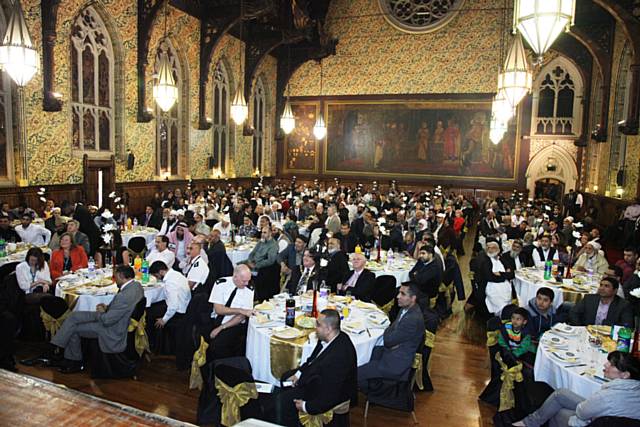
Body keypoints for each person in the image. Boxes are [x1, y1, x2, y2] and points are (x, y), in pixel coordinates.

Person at [49, 265, 144, 373]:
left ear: (121, 276)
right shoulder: (137, 286)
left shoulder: (124, 295)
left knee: (74, 328)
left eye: (115, 276)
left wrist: (102, 312)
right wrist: (107, 307)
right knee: (73, 316)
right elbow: (122, 309)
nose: (113, 279)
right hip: (113, 317)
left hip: (112, 328)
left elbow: (107, 320)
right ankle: (55, 347)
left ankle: (72, 361)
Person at [271, 309, 357, 426]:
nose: (315, 327)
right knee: (285, 377)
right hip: (317, 376)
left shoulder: (339, 357)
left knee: (282, 401)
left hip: (322, 392)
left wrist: (306, 406)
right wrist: (298, 374)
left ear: (328, 329)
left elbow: (331, 395)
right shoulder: (331, 337)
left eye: (318, 324)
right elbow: (312, 360)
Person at [512, 351, 640, 427]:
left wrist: (590, 409)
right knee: (560, 394)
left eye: (611, 365)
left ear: (625, 375)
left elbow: (582, 412)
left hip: (601, 422)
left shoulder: (607, 397)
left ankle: (530, 423)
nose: (606, 365)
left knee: (558, 412)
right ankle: (529, 423)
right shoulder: (634, 387)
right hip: (608, 417)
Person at [357, 283, 425, 391]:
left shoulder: (411, 319)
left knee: (354, 372)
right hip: (391, 352)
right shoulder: (405, 309)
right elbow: (390, 329)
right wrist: (391, 333)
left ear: (413, 298)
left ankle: (374, 392)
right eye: (399, 293)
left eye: (403, 294)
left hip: (395, 364)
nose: (398, 296)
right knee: (366, 354)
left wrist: (390, 333)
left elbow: (388, 341)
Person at [207, 264, 254, 360]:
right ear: (235, 276)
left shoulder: (249, 290)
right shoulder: (221, 283)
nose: (246, 284)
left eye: (248, 280)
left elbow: (241, 317)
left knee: (217, 347)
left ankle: (224, 369)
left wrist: (221, 328)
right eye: (244, 281)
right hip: (215, 319)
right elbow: (218, 310)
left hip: (233, 324)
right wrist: (240, 310)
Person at [147, 261, 191, 352]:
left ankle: (153, 344)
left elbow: (173, 306)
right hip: (184, 304)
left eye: (156, 276)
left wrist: (164, 320)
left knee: (149, 314)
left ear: (161, 272)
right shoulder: (176, 274)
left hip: (179, 311)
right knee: (154, 307)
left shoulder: (170, 283)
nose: (156, 278)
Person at [568, 277, 634, 327]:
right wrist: (581, 327)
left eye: (606, 286)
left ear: (615, 291)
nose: (602, 288)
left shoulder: (624, 305)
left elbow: (627, 325)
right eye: (601, 285)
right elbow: (573, 313)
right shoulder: (589, 299)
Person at [479, 240, 514, 316]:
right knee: (498, 299)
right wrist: (505, 275)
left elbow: (511, 274)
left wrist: (501, 274)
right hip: (492, 286)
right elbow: (490, 277)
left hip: (505, 285)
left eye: (493, 248)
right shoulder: (485, 260)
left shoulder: (502, 259)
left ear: (498, 250)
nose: (490, 250)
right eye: (488, 248)